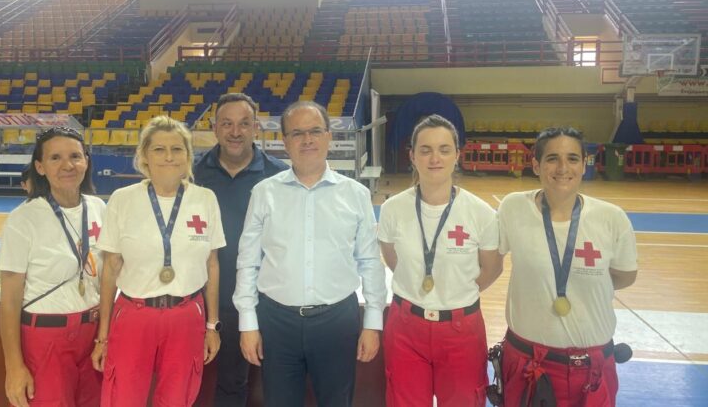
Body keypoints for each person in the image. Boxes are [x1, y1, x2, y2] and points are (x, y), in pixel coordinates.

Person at [233, 101, 387, 407]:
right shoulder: (264, 193)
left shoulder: (355, 194)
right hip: (277, 321)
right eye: (297, 133)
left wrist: (373, 322)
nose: (307, 140)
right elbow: (248, 262)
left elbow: (370, 262)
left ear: (329, 136)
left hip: (337, 321)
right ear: (285, 141)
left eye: (315, 131)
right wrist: (248, 323)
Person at [497, 127, 638, 407]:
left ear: (584, 164)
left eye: (572, 158)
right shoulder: (513, 208)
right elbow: (488, 261)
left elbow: (625, 276)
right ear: (536, 165)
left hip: (593, 367)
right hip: (528, 363)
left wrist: (582, 279)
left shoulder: (612, 218)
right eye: (552, 158)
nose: (563, 168)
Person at [91, 116, 225, 407]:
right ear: (144, 156)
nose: (168, 157)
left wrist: (212, 326)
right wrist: (103, 336)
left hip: (186, 316)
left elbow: (212, 265)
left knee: (177, 399)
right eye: (159, 149)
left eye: (177, 149)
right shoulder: (122, 199)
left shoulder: (205, 199)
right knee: (123, 399)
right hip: (134, 315)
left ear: (188, 156)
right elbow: (110, 269)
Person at [378, 114, 502, 407]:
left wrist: (455, 291)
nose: (435, 158)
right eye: (425, 150)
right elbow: (393, 260)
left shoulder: (481, 213)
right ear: (412, 156)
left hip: (462, 330)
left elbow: (492, 269)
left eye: (444, 149)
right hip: (405, 328)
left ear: (457, 155)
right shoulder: (393, 209)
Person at [0, 126, 105, 407]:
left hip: (94, 334)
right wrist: (14, 367)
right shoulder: (23, 219)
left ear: (86, 161)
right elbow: (9, 301)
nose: (67, 165)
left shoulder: (99, 208)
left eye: (75, 156)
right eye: (55, 158)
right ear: (40, 167)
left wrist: (104, 336)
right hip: (47, 339)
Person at [193, 93, 288, 406]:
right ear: (214, 128)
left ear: (256, 127)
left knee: (272, 385)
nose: (235, 132)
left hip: (266, 300)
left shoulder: (278, 175)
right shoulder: (193, 175)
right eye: (227, 124)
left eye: (244, 124)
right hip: (209, 299)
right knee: (219, 385)